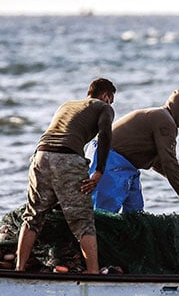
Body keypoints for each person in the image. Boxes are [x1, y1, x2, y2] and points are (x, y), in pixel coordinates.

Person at [15, 78, 116, 274]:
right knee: (83, 221)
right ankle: (93, 272)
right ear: (106, 96)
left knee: (33, 216)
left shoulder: (67, 105)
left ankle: (19, 268)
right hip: (67, 158)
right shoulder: (103, 107)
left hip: (40, 156)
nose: (111, 104)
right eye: (111, 99)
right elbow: (105, 135)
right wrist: (99, 171)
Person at [90, 88, 179, 213]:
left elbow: (157, 162)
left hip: (126, 164)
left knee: (135, 211)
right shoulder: (165, 121)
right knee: (105, 211)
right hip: (110, 159)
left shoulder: (161, 116)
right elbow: (168, 160)